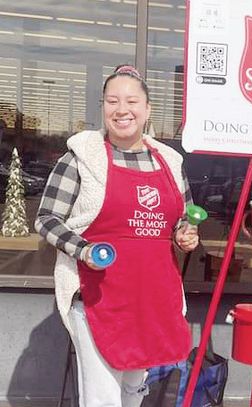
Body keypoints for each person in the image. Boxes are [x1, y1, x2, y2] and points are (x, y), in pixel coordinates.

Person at [35, 64, 199, 407]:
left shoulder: (170, 161)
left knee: (133, 390)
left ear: (147, 109)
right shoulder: (80, 158)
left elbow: (181, 221)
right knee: (102, 398)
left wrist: (185, 235)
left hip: (152, 299)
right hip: (98, 298)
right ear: (103, 107)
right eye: (112, 101)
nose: (121, 110)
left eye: (131, 101)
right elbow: (47, 219)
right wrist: (83, 249)